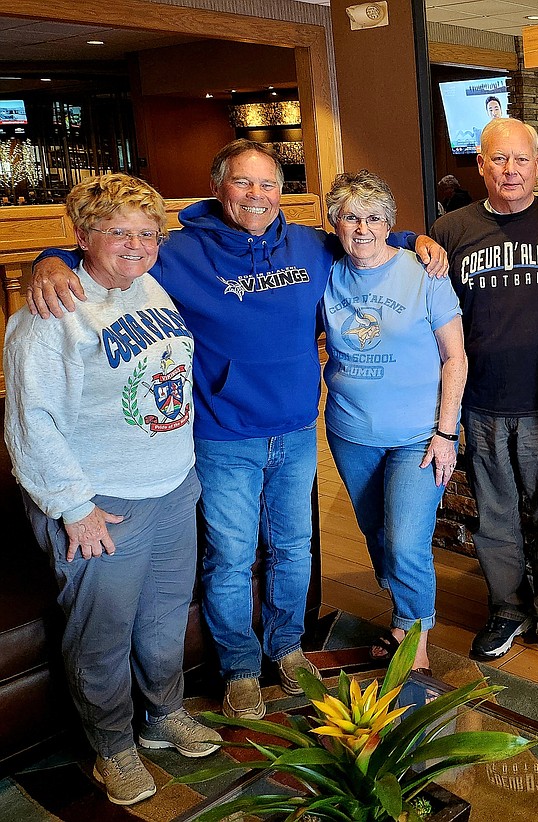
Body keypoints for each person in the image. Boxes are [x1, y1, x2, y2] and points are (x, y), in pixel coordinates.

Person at [26, 139, 448, 722]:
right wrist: (48, 257)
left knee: (294, 549)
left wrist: (415, 239)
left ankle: (287, 648)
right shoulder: (176, 251)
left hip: (297, 431)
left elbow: (365, 237)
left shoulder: (308, 244)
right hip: (223, 435)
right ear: (219, 187)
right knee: (230, 558)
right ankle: (241, 670)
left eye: (269, 184)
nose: (257, 196)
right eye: (243, 184)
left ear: (282, 191)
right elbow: (110, 247)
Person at [4, 174, 222, 806]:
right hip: (103, 505)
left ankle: (163, 716)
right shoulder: (49, 316)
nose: (136, 245)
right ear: (82, 238)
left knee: (161, 620)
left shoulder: (148, 284)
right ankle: (111, 746)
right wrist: (75, 508)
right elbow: (30, 423)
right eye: (117, 232)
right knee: (101, 633)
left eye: (147, 233)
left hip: (172, 488)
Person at [431, 117, 538, 670]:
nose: (510, 170)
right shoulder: (451, 231)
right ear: (480, 165)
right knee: (495, 518)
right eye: (498, 159)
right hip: (480, 404)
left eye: (520, 159)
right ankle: (506, 609)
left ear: (536, 165)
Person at [321, 170, 467, 674]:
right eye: (351, 217)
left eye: (374, 217)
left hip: (419, 437)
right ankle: (403, 610)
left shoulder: (423, 272)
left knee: (406, 539)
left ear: (390, 223)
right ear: (335, 223)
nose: (363, 228)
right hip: (349, 431)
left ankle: (413, 637)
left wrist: (446, 433)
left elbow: (455, 357)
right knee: (376, 532)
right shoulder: (325, 272)